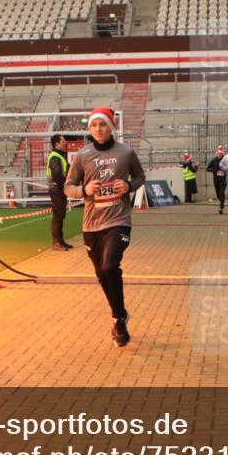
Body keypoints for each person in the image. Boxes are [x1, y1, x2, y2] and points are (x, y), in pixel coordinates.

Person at [64, 107, 145, 347]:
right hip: (92, 224)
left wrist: (128, 186)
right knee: (101, 273)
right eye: (94, 125)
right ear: (90, 129)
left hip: (118, 221)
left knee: (110, 266)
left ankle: (118, 319)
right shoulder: (82, 156)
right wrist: (85, 190)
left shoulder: (126, 152)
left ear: (111, 127)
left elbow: (140, 177)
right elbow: (68, 186)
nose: (98, 129)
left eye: (102, 124)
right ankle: (119, 314)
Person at [45, 134, 73, 251]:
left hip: (58, 188)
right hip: (57, 189)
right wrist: (64, 187)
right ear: (56, 143)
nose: (65, 142)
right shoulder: (55, 157)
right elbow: (57, 175)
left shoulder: (59, 156)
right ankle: (56, 242)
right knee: (58, 215)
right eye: (63, 141)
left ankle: (60, 241)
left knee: (60, 215)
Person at [206, 145, 228, 214]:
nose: (219, 155)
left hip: (223, 179)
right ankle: (221, 202)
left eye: (221, 153)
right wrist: (214, 170)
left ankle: (221, 206)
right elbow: (207, 168)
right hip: (216, 180)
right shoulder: (214, 160)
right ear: (217, 153)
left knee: (222, 193)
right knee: (218, 194)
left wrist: (225, 171)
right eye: (218, 153)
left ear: (222, 154)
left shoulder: (225, 160)